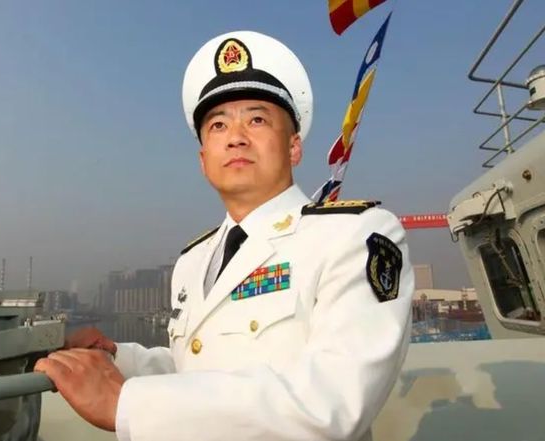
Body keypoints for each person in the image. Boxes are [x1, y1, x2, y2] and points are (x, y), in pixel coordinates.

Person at [35, 30, 414, 441]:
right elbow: (198, 368)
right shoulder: (194, 260)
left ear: (293, 147)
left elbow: (333, 403)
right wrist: (118, 358)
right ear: (203, 160)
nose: (235, 137)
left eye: (257, 119)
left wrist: (126, 403)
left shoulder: (355, 234)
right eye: (218, 125)